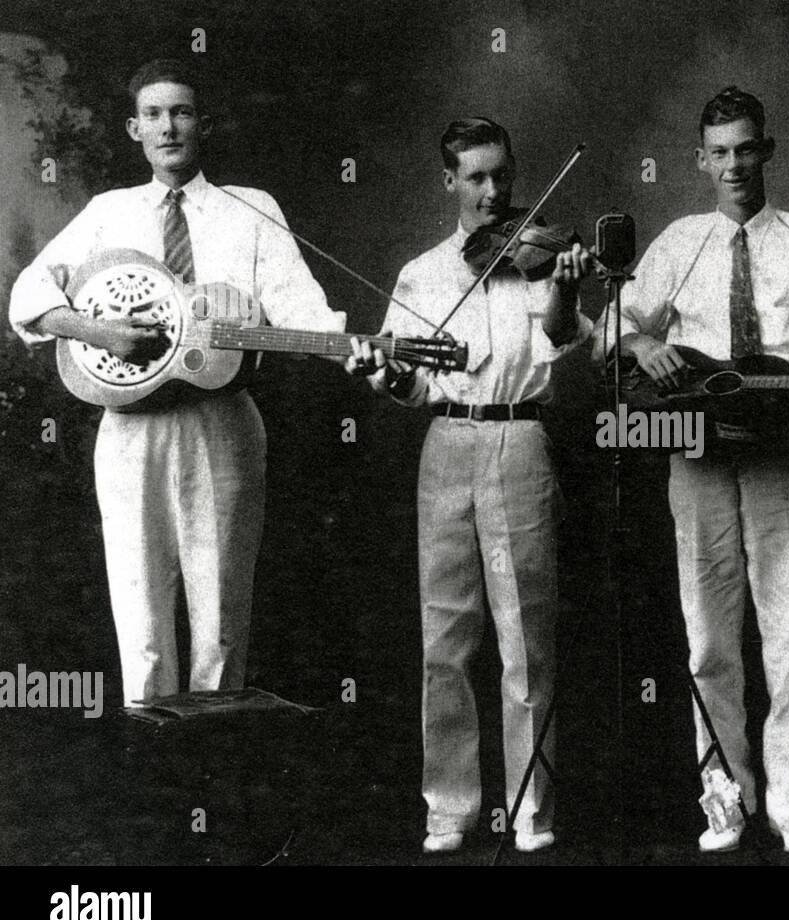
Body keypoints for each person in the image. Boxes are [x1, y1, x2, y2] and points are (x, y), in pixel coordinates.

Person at [594, 87, 789, 853]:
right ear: (700, 160)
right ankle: (723, 799)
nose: (733, 165)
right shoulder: (676, 241)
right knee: (708, 641)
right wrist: (640, 345)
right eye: (719, 152)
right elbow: (612, 330)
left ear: (768, 151)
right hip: (695, 454)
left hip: (780, 455)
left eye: (746, 148)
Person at [8, 58, 345, 707]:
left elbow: (299, 306)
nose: (169, 127)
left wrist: (345, 346)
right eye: (155, 114)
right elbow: (28, 290)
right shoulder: (109, 211)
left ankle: (215, 771)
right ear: (135, 128)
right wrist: (95, 331)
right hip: (130, 432)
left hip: (221, 425)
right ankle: (154, 769)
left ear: (205, 124)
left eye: (183, 112)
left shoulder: (251, 210)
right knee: (141, 617)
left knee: (219, 620)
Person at [346, 118, 593, 854]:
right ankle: (449, 807)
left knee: (526, 637)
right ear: (448, 181)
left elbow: (563, 346)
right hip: (448, 441)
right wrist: (382, 371)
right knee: (444, 636)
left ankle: (531, 808)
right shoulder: (423, 274)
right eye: (476, 178)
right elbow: (408, 381)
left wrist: (564, 286)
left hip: (522, 435)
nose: (493, 192)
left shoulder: (545, 259)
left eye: (502, 176)